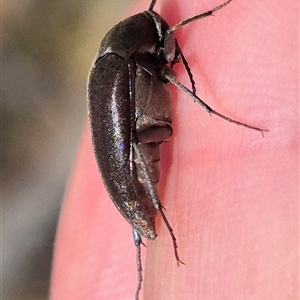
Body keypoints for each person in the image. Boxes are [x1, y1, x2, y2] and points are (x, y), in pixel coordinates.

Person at [50, 0, 298, 299]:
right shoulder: (122, 63)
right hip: (133, 154)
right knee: (136, 161)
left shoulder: (117, 59)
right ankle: (142, 258)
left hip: (135, 141)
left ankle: (141, 257)